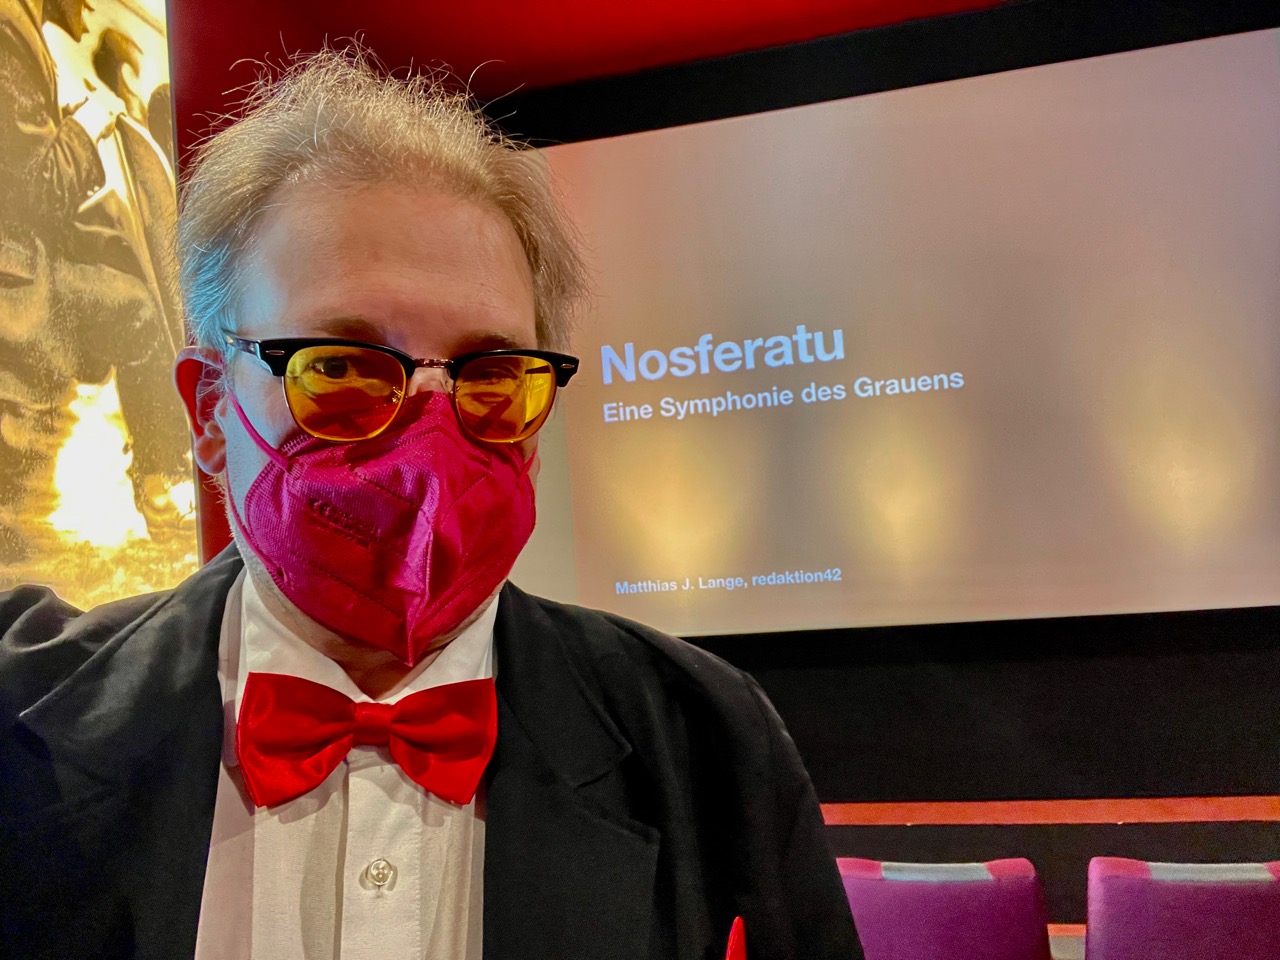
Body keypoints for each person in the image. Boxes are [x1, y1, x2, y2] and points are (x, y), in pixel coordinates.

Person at [0, 50, 862, 959]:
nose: (427, 439)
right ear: (211, 410)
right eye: (339, 366)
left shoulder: (709, 739)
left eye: (491, 373)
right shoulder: (19, 719)